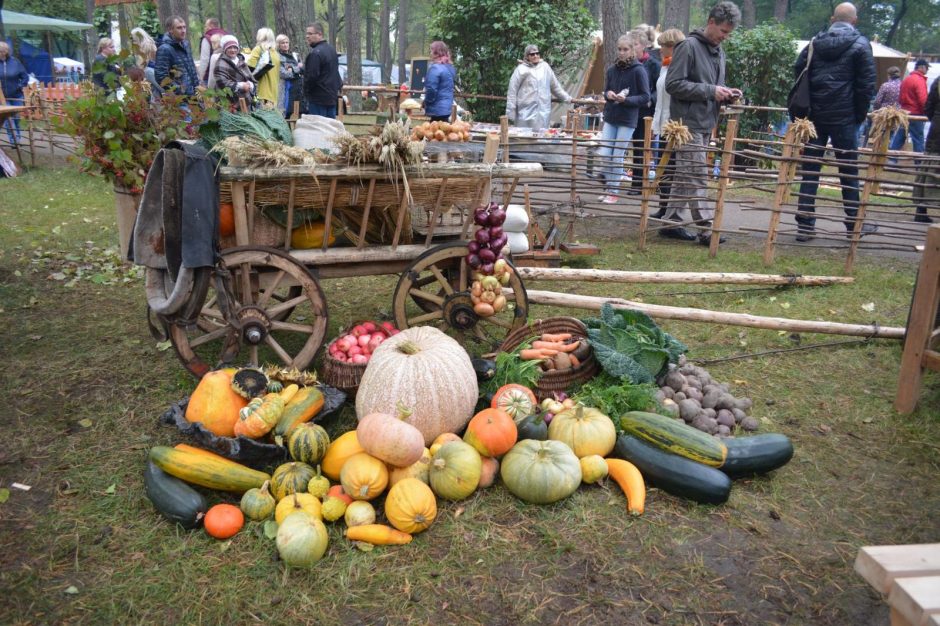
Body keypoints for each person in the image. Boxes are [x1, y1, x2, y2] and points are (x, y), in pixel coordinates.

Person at [793, 2, 877, 242]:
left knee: (810, 170)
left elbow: (799, 70)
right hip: (845, 117)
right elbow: (866, 85)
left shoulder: (814, 43)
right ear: (854, 21)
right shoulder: (861, 45)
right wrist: (858, 114)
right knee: (849, 172)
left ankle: (805, 226)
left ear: (832, 19)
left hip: (815, 116)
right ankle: (854, 225)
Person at [664, 1, 742, 246]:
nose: (725, 37)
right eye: (723, 31)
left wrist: (727, 94)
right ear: (711, 22)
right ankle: (707, 231)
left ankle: (671, 222)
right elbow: (673, 84)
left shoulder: (719, 52)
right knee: (697, 175)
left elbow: (711, 89)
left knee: (685, 174)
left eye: (728, 33)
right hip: (685, 125)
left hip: (705, 122)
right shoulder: (688, 46)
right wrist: (710, 90)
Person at [650, 28, 695, 240]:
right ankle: (663, 206)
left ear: (674, 48)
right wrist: (656, 127)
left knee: (677, 170)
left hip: (677, 126)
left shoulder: (681, 68)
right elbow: (660, 99)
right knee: (664, 168)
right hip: (663, 125)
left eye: (664, 47)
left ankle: (673, 216)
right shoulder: (664, 67)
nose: (660, 50)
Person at [595, 34, 649, 204]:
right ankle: (609, 187)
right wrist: (609, 94)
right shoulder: (612, 70)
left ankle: (613, 191)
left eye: (625, 49)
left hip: (627, 118)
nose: (622, 52)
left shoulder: (639, 70)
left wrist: (626, 100)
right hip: (611, 116)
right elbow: (606, 90)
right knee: (605, 154)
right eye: (619, 49)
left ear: (632, 50)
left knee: (617, 155)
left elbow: (645, 96)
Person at [627, 26, 661, 195]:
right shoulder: (629, 64)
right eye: (630, 45)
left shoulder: (654, 65)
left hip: (646, 113)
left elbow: (658, 88)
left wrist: (650, 100)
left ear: (644, 45)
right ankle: (634, 182)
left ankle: (640, 184)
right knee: (633, 147)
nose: (633, 49)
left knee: (643, 148)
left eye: (635, 45)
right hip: (630, 111)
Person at [505, 44, 572, 129]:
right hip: (525, 112)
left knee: (541, 138)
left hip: (543, 113)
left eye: (537, 53)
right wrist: (511, 111)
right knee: (524, 138)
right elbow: (512, 91)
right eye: (532, 54)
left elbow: (555, 87)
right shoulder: (521, 70)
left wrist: (568, 99)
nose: (535, 56)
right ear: (527, 56)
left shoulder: (545, 67)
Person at [913, 75, 940, 224]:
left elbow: (929, 107)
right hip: (937, 133)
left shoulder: (938, 81)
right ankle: (921, 211)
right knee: (930, 167)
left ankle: (921, 210)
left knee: (928, 168)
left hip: (937, 129)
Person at [890, 59, 930, 154]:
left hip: (904, 113)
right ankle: (918, 162)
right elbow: (923, 99)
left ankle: (892, 158)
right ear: (921, 67)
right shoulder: (919, 80)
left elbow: (900, 98)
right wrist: (926, 111)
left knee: (899, 137)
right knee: (918, 139)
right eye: (927, 68)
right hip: (916, 114)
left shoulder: (907, 79)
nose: (927, 70)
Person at [303, 23, 342, 118]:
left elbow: (312, 77)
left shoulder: (315, 54)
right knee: (330, 130)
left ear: (320, 34)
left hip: (318, 98)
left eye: (310, 34)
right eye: (306, 34)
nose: (307, 36)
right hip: (331, 97)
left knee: (319, 129)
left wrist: (306, 91)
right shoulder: (331, 50)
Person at [155, 15, 200, 96]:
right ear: (170, 30)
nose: (183, 31)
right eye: (179, 28)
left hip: (194, 96)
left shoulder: (185, 44)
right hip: (180, 100)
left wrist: (198, 87)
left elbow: (192, 69)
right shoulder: (165, 49)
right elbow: (161, 77)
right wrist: (180, 91)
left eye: (184, 27)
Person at [213, 35, 256, 106]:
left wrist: (251, 84)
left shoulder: (241, 61)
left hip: (245, 100)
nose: (233, 50)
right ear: (225, 49)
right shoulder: (220, 64)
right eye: (229, 47)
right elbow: (222, 83)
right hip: (229, 102)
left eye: (235, 47)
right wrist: (241, 85)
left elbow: (250, 78)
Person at [0, 42, 29, 145]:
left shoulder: (15, 62)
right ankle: (14, 141)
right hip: (3, 98)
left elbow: (25, 77)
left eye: (3, 51)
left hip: (16, 96)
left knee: (16, 118)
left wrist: (20, 86)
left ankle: (18, 138)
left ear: (6, 51)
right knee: (8, 119)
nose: (2, 53)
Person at [423, 41, 457, 122]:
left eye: (431, 50)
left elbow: (431, 89)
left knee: (434, 133)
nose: (430, 53)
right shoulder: (450, 67)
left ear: (437, 52)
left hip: (437, 109)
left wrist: (426, 102)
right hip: (446, 108)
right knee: (443, 131)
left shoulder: (435, 68)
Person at [247, 28, 281, 108]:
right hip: (273, 93)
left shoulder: (258, 49)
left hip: (262, 92)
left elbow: (249, 68)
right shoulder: (275, 53)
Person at [130, 28, 162, 99]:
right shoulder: (143, 46)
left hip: (153, 72)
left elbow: (146, 65)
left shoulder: (148, 46)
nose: (133, 42)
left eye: (134, 40)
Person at [276, 34, 303, 118]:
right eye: (282, 43)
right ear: (278, 44)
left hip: (298, 88)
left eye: (287, 42)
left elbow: (302, 68)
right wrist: (297, 69)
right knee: (284, 114)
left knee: (300, 113)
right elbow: (284, 74)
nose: (285, 44)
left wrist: (293, 69)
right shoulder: (277, 57)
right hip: (284, 89)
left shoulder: (295, 56)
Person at [199, 18, 227, 85]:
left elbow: (204, 60)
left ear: (211, 26)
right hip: (226, 76)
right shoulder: (227, 36)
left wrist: (200, 78)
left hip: (209, 77)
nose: (205, 28)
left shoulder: (207, 39)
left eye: (206, 26)